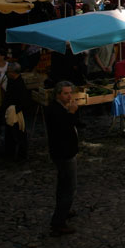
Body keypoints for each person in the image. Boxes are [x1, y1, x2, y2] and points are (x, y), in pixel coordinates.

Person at [46, 80, 80, 236]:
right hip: (63, 153)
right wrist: (71, 113)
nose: (69, 96)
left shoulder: (61, 108)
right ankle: (59, 222)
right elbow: (64, 129)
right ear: (58, 94)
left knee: (63, 185)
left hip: (65, 152)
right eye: (66, 93)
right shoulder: (55, 110)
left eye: (70, 93)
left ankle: (64, 210)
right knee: (68, 187)